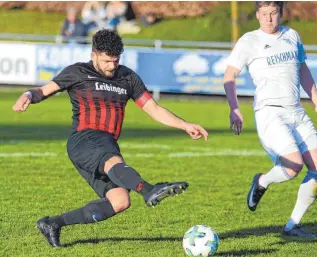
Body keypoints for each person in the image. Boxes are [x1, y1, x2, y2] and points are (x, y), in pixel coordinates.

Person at [12, 29, 208, 247]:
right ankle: (149, 190)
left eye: (116, 60)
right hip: (84, 139)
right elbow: (43, 90)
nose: (112, 66)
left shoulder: (128, 77)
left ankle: (53, 223)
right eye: (107, 61)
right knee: (113, 161)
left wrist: (185, 125)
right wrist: (28, 95)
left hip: (106, 143)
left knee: (120, 201)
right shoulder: (78, 72)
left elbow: (153, 109)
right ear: (94, 54)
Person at [223, 1, 317, 239]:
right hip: (269, 112)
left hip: (296, 111)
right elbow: (229, 76)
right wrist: (234, 108)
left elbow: (303, 69)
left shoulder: (292, 35)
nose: (269, 19)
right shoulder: (249, 41)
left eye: (273, 13)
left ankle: (293, 226)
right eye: (264, 14)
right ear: (257, 15)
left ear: (281, 13)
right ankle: (261, 181)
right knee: (294, 166)